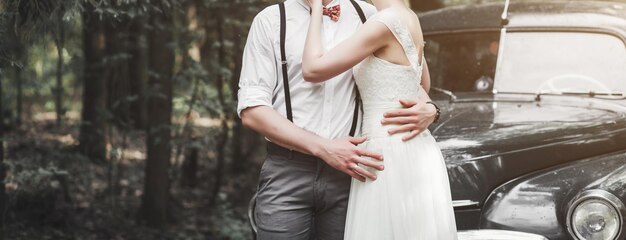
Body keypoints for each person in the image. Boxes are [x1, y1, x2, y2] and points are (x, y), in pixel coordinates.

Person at [237, 0, 440, 239]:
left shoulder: (372, 15)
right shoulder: (271, 20)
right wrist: (324, 148)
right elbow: (252, 110)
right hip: (288, 172)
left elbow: (407, 78)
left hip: (354, 177)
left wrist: (431, 108)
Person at [302, 0, 458, 238]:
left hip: (385, 154)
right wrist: (431, 109)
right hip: (416, 147)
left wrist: (315, 11)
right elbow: (421, 84)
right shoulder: (408, 17)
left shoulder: (382, 22)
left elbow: (313, 69)